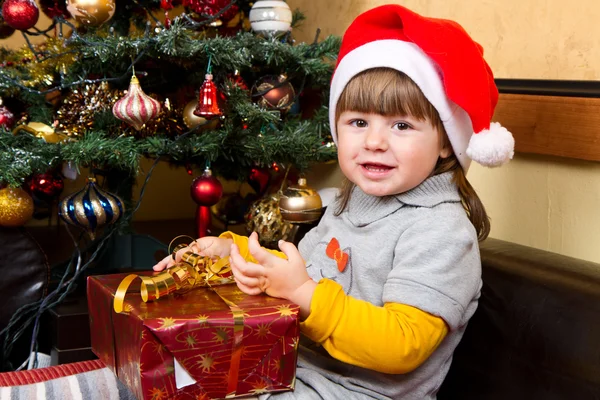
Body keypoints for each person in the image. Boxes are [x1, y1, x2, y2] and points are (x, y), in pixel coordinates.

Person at [153, 4, 514, 399]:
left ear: (446, 141)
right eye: (358, 122)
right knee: (163, 377)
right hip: (289, 370)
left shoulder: (441, 231)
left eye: (401, 125)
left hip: (356, 393)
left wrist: (305, 297)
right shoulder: (351, 203)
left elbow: (403, 344)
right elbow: (300, 272)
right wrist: (231, 252)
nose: (374, 141)